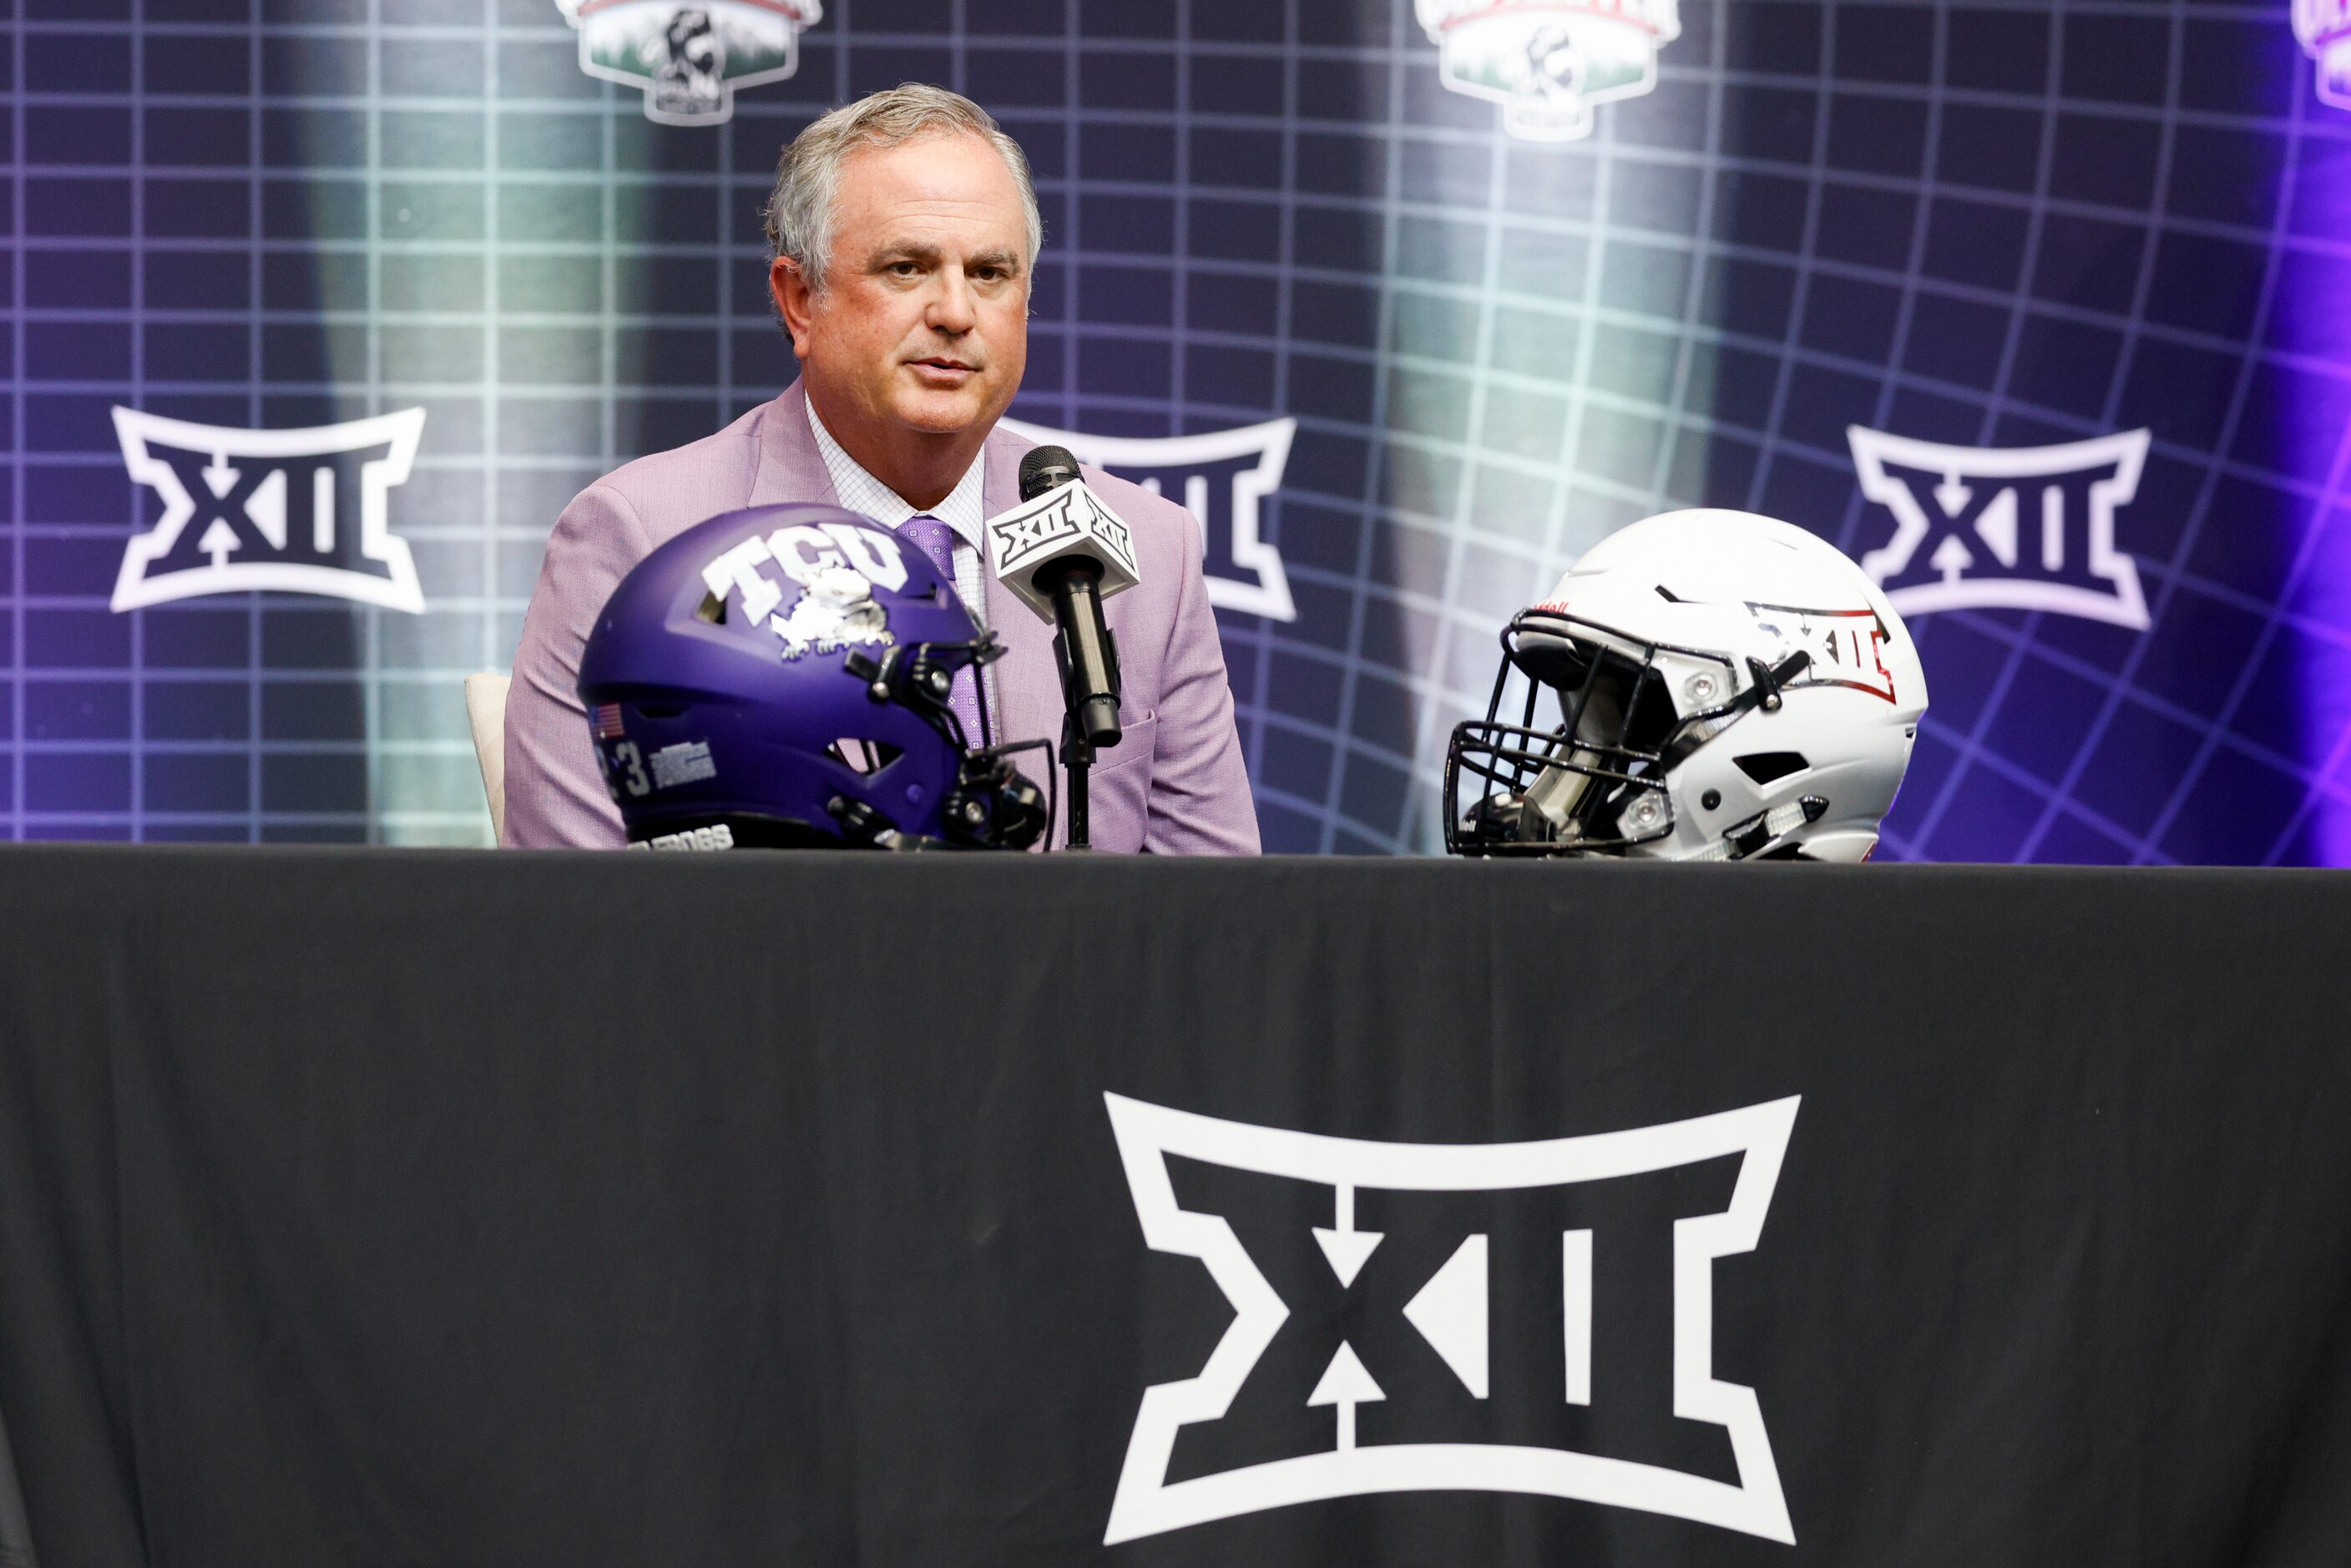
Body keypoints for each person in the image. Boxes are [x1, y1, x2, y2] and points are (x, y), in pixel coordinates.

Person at [503, 84, 1259, 853]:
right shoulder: (641, 543)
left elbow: (1223, 929)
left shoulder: (1148, 549)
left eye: (992, 273)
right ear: (800, 300)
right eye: (907, 268)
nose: (957, 312)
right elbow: (577, 925)